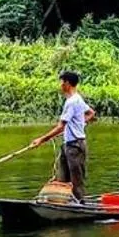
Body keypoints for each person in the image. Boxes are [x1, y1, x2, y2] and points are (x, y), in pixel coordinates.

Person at [30, 70, 95, 203]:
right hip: (68, 145)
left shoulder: (72, 102)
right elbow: (90, 113)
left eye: (62, 82)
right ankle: (63, 203)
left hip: (75, 146)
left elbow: (61, 126)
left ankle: (80, 206)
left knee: (76, 180)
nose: (60, 85)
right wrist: (79, 124)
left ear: (67, 83)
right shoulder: (77, 98)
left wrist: (41, 140)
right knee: (62, 178)